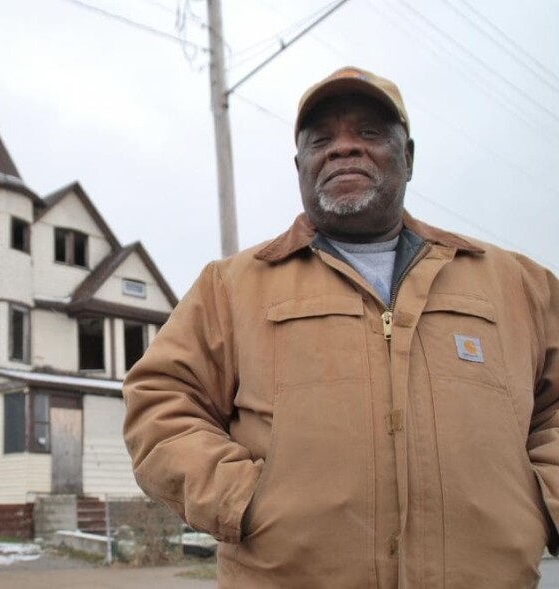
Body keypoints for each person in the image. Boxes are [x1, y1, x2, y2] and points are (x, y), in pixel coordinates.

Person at [122, 66, 559, 588]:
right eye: (321, 140)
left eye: (369, 134)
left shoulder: (518, 285)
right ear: (300, 166)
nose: (343, 149)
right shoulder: (230, 288)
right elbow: (161, 402)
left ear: (409, 157)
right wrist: (240, 501)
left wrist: (541, 502)